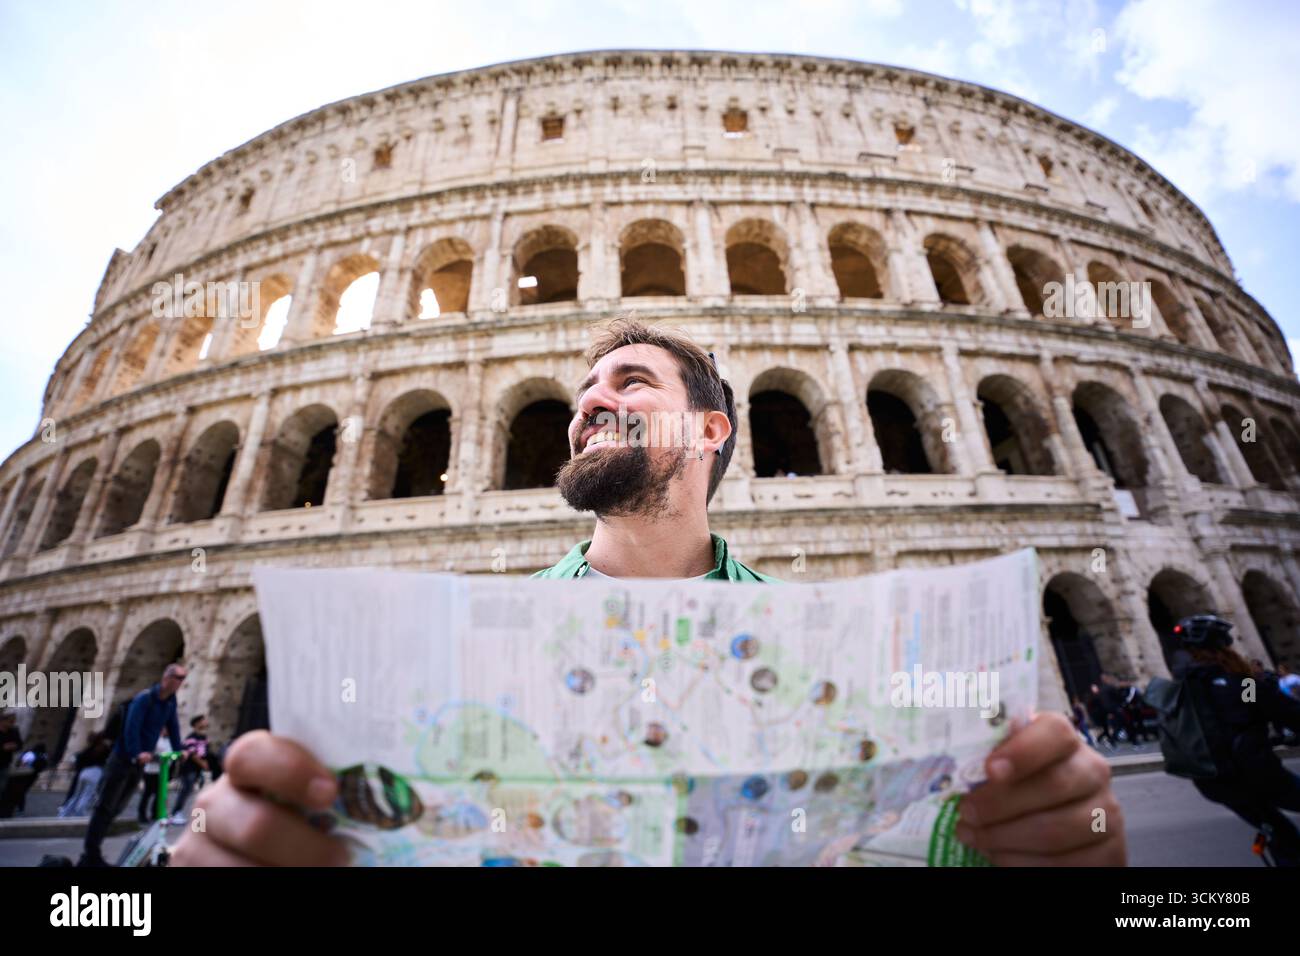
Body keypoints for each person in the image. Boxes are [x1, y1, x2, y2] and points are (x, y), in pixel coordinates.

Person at [173, 318, 1126, 867]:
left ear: (711, 433)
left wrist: (1060, 846)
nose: (590, 402)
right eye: (585, 391)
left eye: (631, 382)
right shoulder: (458, 658)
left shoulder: (842, 661)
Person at [1170, 615, 1300, 867]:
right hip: (1256, 773)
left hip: (1214, 782)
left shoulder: (1183, 688)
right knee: (1283, 833)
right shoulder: (1242, 684)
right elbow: (1281, 712)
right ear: (1224, 646)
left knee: (1279, 834)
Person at [77, 663, 187, 867]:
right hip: (122, 759)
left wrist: (179, 749)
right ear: (167, 677)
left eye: (183, 678)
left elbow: (173, 727)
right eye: (178, 677)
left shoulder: (170, 703)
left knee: (117, 807)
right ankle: (89, 855)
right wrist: (137, 753)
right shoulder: (144, 698)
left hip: (139, 763)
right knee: (105, 807)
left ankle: (94, 852)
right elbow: (131, 728)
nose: (181, 682)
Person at [171, 714, 210, 824]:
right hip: (189, 768)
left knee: (191, 791)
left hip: (198, 769)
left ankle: (185, 813)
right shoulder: (191, 737)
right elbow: (192, 753)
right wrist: (202, 763)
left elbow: (204, 752)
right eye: (203, 720)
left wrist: (205, 763)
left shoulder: (204, 737)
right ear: (197, 723)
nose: (205, 722)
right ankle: (175, 813)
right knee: (185, 790)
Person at [0, 711, 20, 798]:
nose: (12, 723)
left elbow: (19, 744)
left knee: (1, 786)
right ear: (3, 721)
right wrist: (3, 747)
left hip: (5, 763)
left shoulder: (14, 731)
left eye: (13, 721)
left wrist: (15, 746)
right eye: (11, 721)